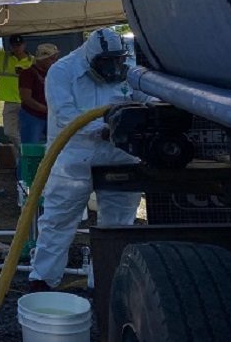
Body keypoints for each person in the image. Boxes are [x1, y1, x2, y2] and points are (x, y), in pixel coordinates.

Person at [28, 28, 148, 291]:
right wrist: (105, 129)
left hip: (119, 157)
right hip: (73, 158)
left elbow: (146, 97)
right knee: (58, 220)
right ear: (89, 58)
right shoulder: (62, 72)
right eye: (106, 64)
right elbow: (66, 116)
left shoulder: (127, 67)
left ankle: (106, 283)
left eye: (118, 62)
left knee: (118, 225)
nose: (114, 69)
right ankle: (43, 282)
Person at [18, 43, 59, 144]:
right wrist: (47, 109)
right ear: (42, 59)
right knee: (30, 148)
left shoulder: (53, 74)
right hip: (32, 116)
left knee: (54, 146)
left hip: (49, 116)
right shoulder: (28, 73)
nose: (55, 61)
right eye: (51, 59)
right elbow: (26, 98)